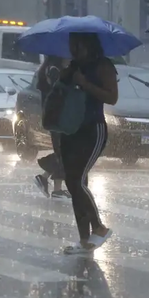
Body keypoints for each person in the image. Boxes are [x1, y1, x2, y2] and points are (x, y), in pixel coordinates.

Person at [58, 33, 118, 254]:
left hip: (93, 129)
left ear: (89, 44)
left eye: (78, 44)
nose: (73, 49)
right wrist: (65, 77)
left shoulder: (103, 66)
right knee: (73, 183)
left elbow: (112, 97)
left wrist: (84, 84)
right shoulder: (74, 65)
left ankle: (99, 227)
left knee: (77, 180)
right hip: (70, 129)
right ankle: (84, 239)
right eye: (71, 44)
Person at [33, 55, 70, 199]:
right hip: (58, 118)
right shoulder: (54, 71)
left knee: (62, 152)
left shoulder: (46, 70)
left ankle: (54, 186)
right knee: (64, 153)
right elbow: (59, 93)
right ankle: (47, 181)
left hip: (53, 117)